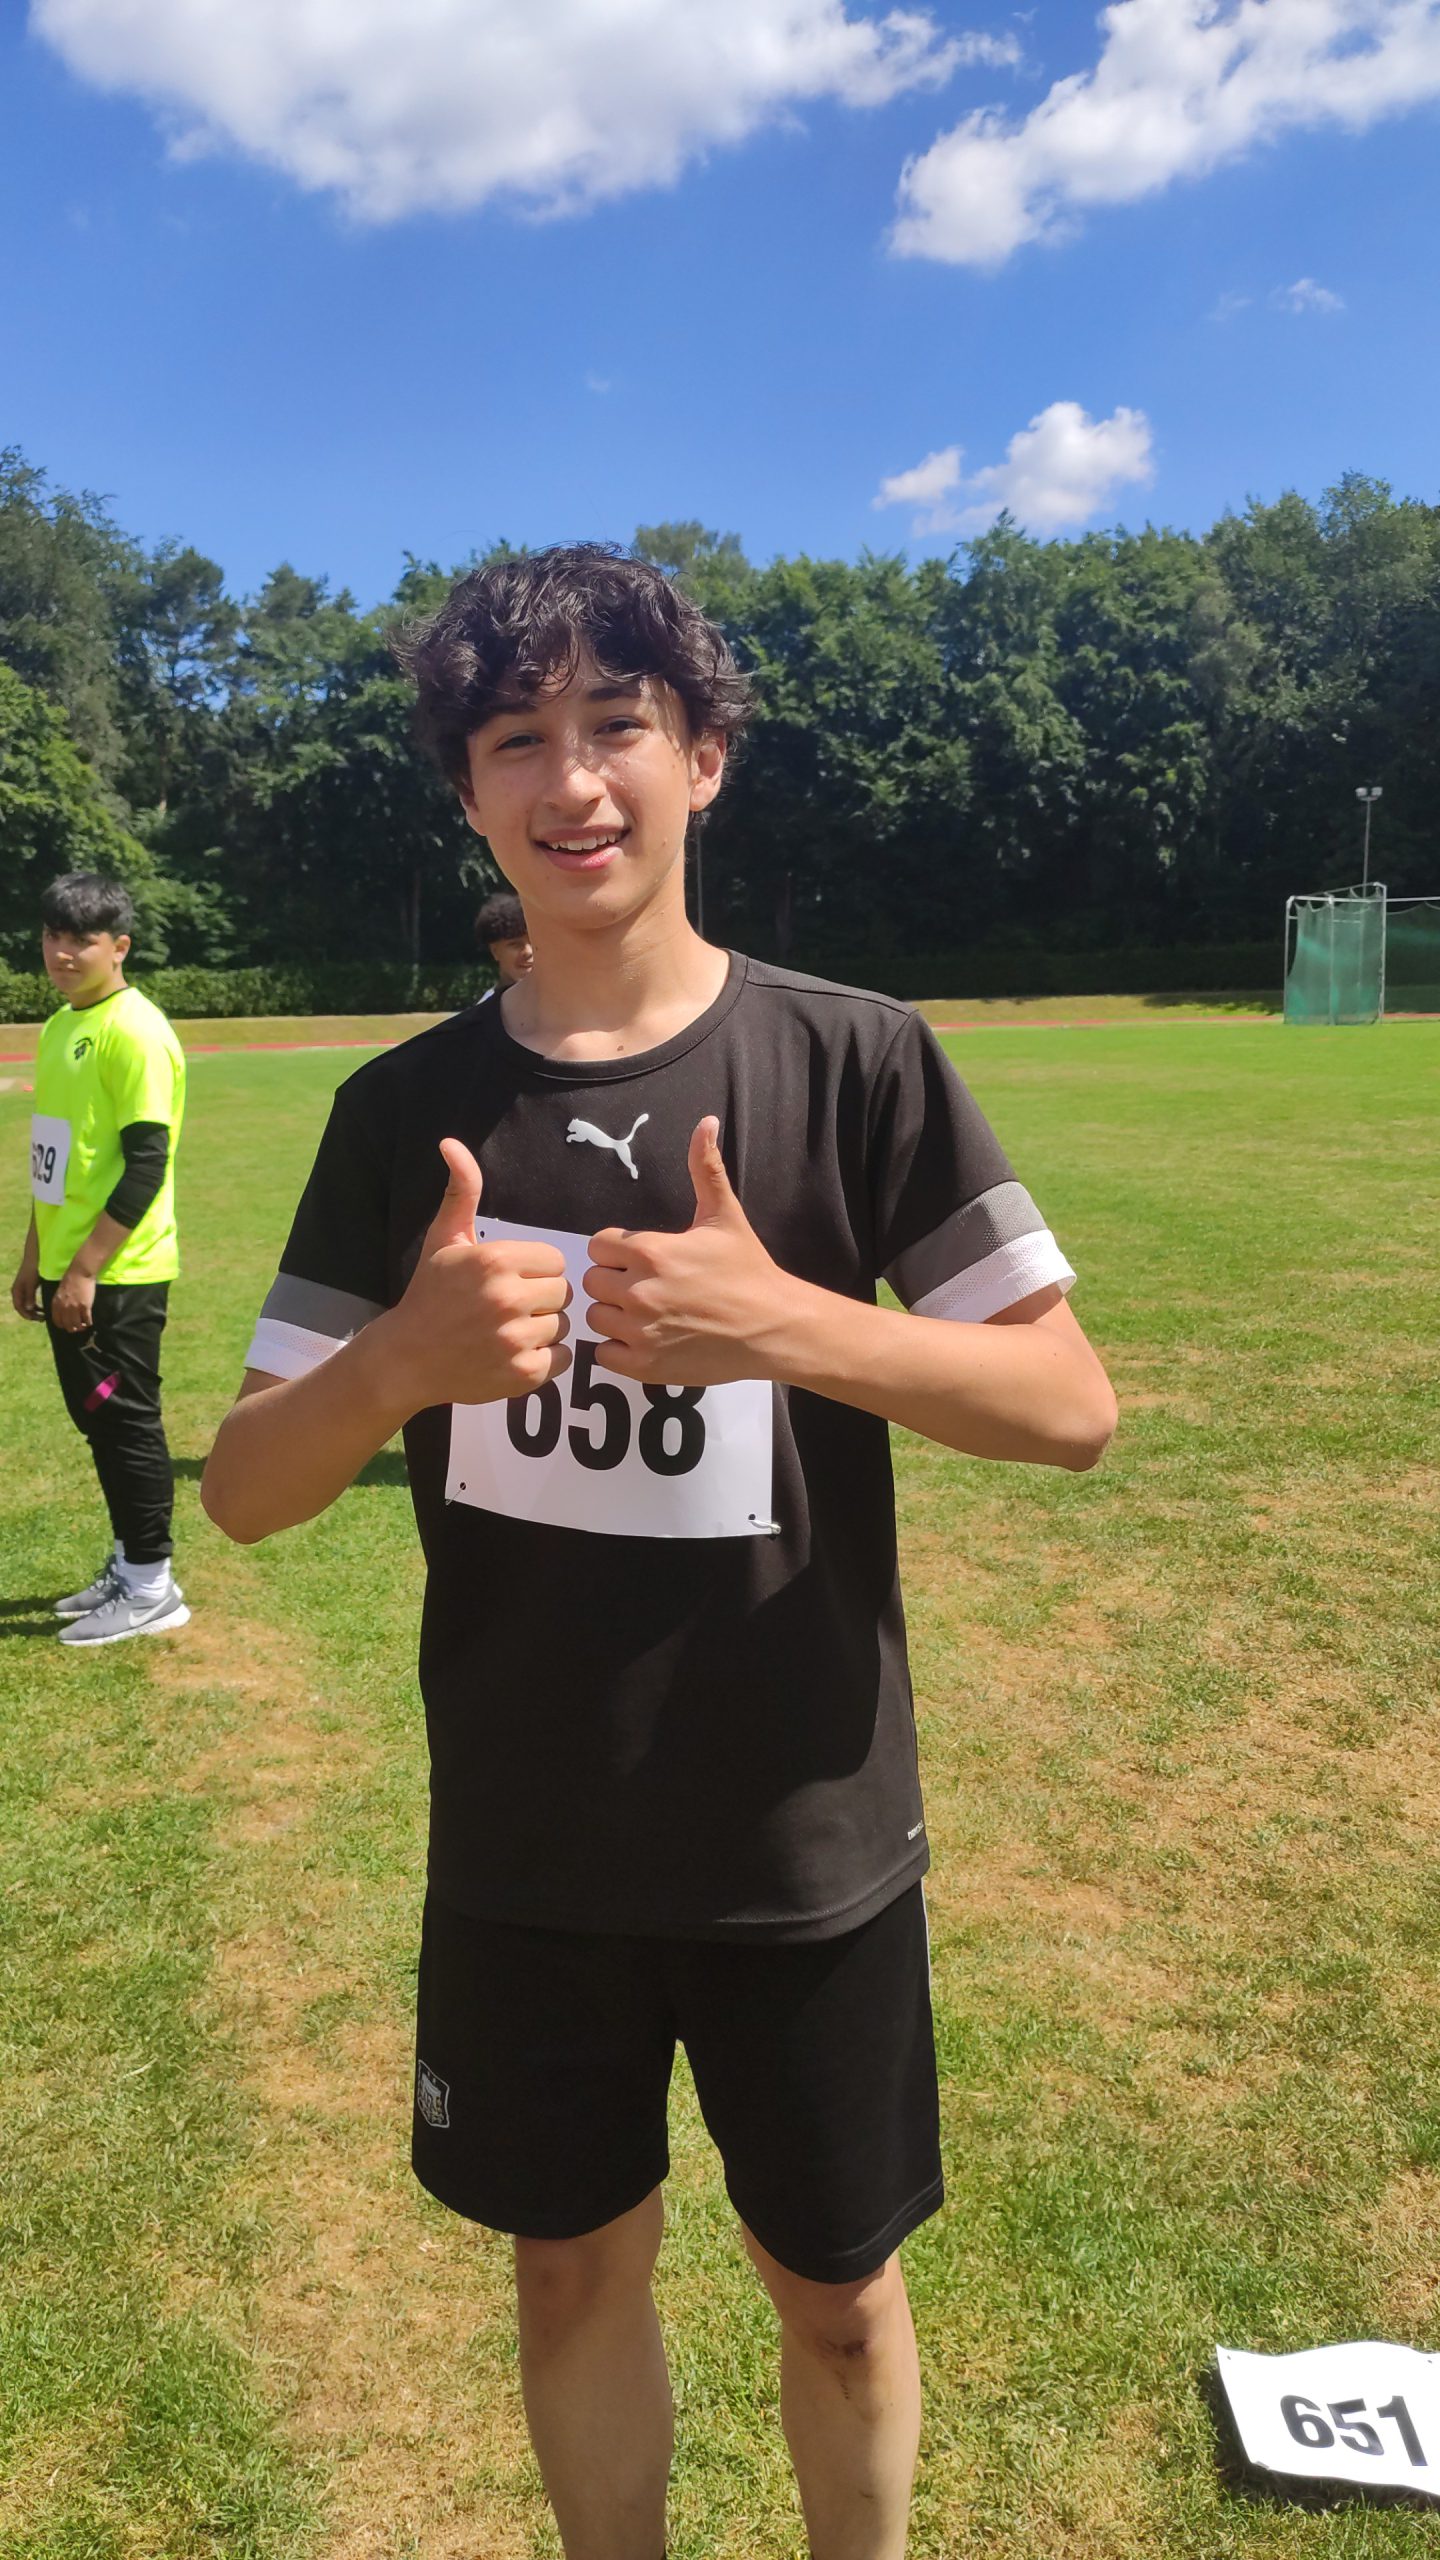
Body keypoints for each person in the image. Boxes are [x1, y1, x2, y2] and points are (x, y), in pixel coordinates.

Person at [202, 545, 1117, 2560]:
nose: (573, 778)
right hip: (530, 1842)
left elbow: (1070, 1403)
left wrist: (787, 1322)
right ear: (469, 792)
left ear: (701, 755)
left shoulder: (853, 1058)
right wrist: (402, 1364)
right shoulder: (406, 1111)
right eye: (516, 738)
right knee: (567, 2275)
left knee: (840, 2301)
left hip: (804, 1837)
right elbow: (246, 1489)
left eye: (617, 722)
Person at [11, 873, 189, 1645]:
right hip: (68, 1268)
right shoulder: (60, 1026)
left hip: (118, 1273)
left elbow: (146, 1164)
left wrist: (82, 1269)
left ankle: (150, 1587)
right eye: (52, 936)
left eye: (80, 940)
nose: (61, 952)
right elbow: (54, 1160)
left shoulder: (134, 1031)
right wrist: (35, 1259)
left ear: (119, 947)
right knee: (99, 1423)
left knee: (125, 1422)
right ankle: (129, 1562)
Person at [475, 886, 533, 991]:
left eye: (534, 943)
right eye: (515, 944)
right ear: (495, 951)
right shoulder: (492, 1002)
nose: (528, 952)